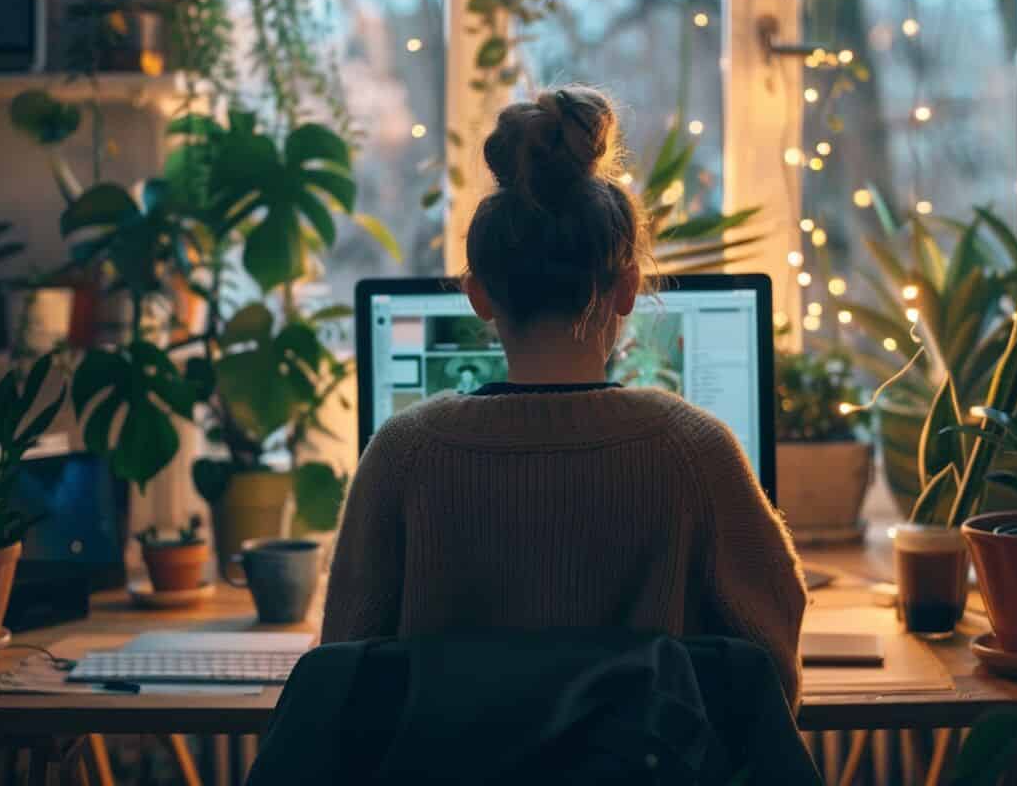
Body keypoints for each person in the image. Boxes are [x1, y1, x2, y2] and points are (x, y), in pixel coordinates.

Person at [321, 85, 808, 707]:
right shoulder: (694, 449)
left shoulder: (403, 453)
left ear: (478, 295)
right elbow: (772, 667)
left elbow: (341, 674)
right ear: (628, 287)